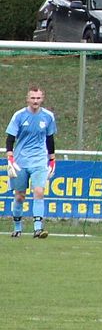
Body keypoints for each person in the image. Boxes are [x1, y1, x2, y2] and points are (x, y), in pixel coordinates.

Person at [6, 87, 57, 238]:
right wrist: (10, 158)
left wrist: (52, 159)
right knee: (19, 196)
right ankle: (17, 227)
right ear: (27, 99)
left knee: (39, 191)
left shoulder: (48, 116)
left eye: (38, 98)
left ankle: (38, 229)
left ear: (42, 99)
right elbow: (10, 138)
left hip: (39, 160)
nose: (35, 101)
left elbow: (50, 139)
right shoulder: (19, 116)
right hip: (20, 161)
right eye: (33, 98)